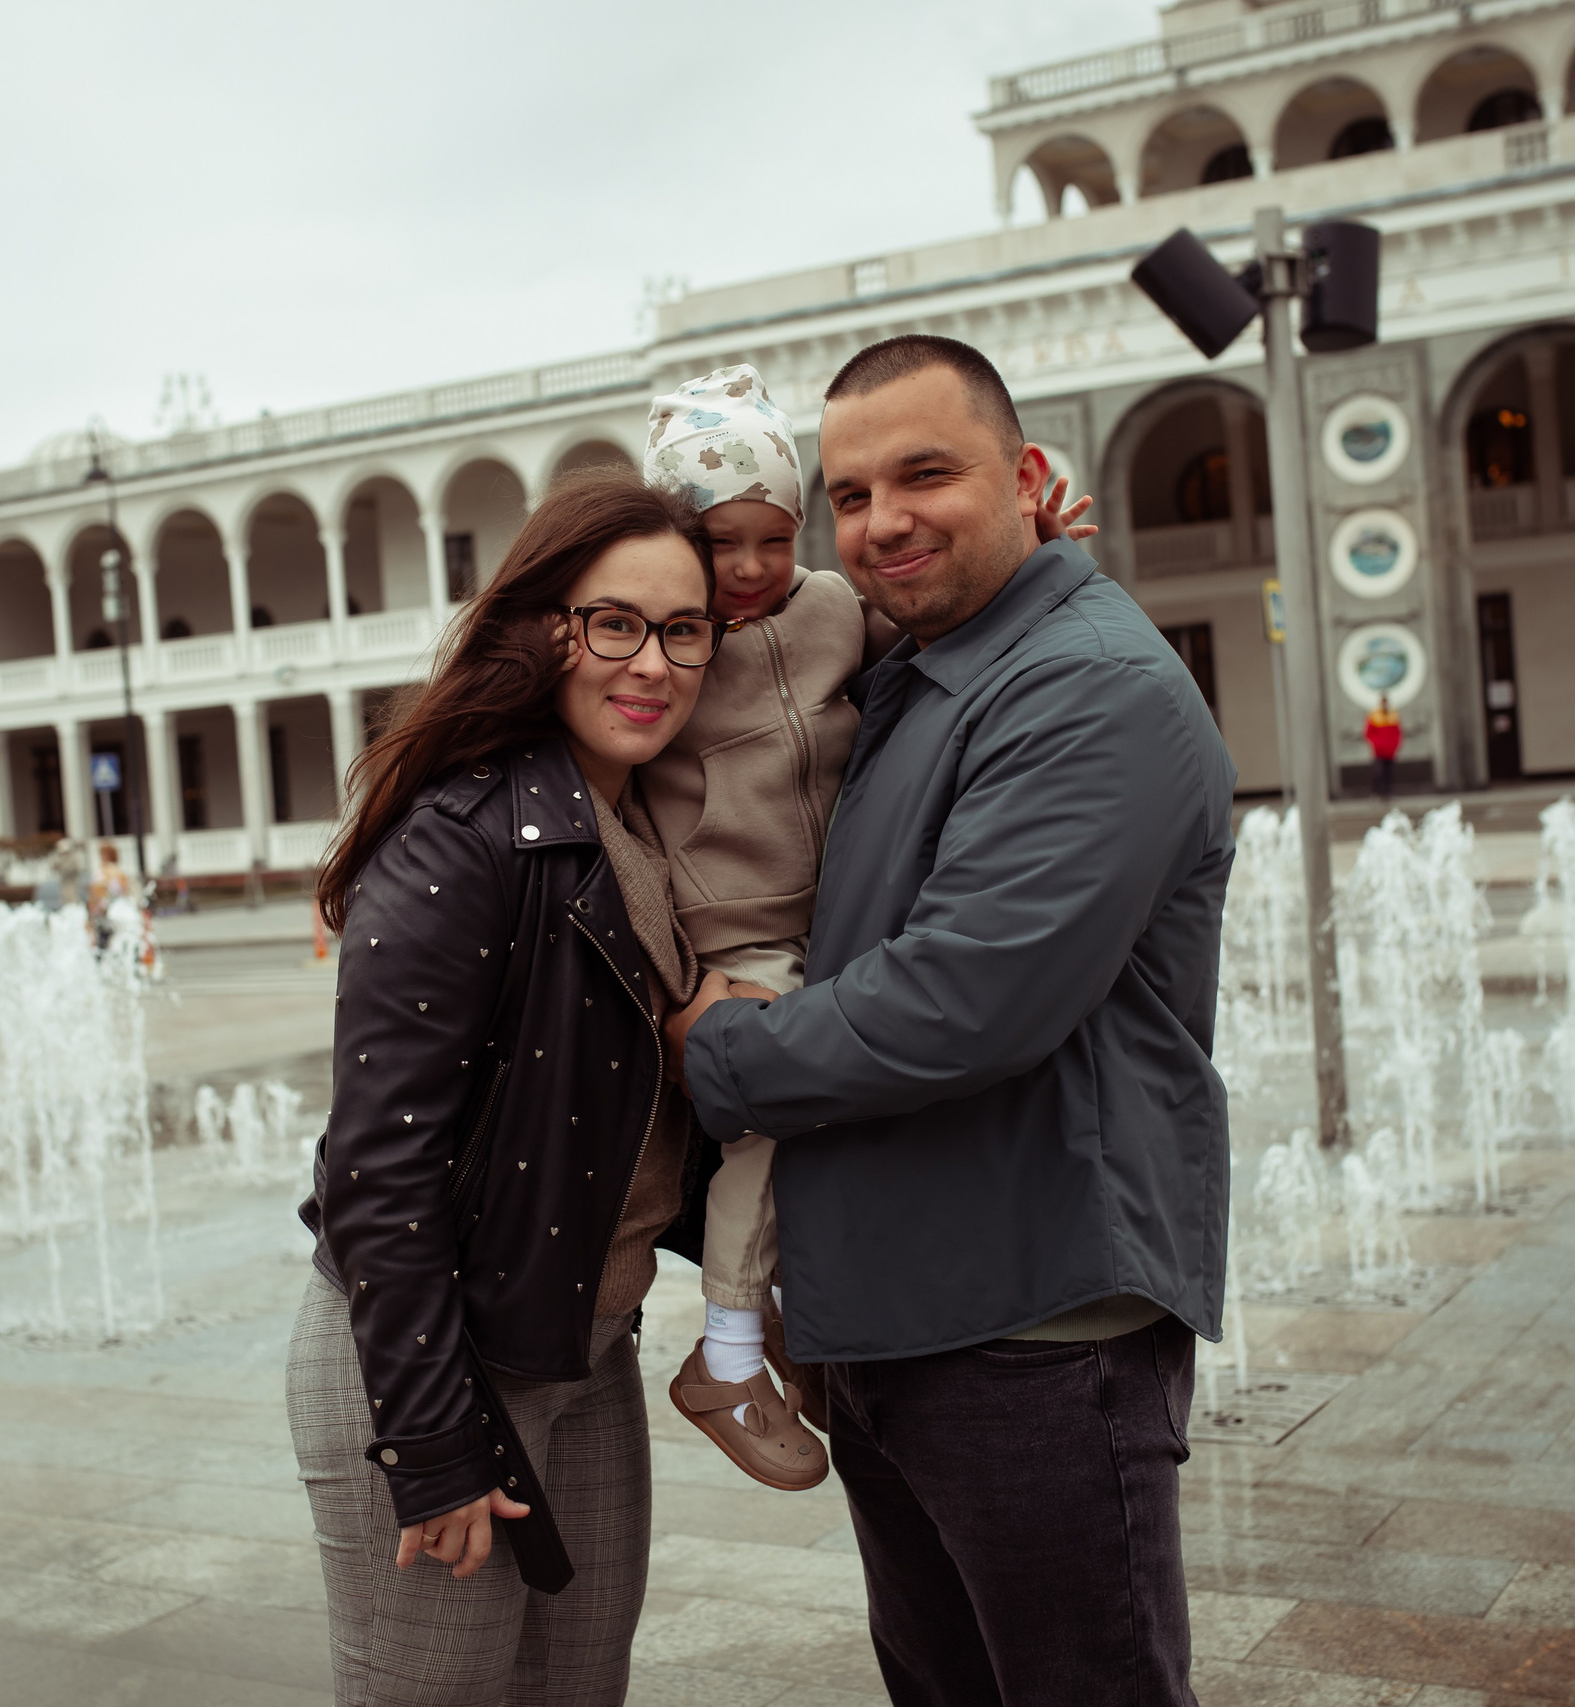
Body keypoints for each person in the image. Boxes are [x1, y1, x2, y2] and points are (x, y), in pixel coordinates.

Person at [667, 334, 1236, 1706]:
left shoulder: (1086, 683)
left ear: (1032, 479)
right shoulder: (928, 665)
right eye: (851, 494)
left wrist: (712, 1054)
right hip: (904, 1319)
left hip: (1029, 1329)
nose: (882, 521)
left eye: (928, 474)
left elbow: (964, 1001)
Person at [288, 467, 724, 1705]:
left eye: (681, 629)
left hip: (583, 1350)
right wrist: (429, 1442)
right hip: (431, 1367)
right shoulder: (463, 834)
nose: (651, 663)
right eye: (615, 623)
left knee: (580, 1690)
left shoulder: (631, 817)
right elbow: (379, 1166)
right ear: (546, 629)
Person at [641, 363, 1092, 1491]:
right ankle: (728, 1351)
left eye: (771, 536)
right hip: (727, 935)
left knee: (828, 1117)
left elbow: (960, 631)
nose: (748, 569)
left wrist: (1043, 554)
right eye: (718, 542)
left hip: (825, 918)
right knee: (767, 1129)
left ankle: (782, 1320)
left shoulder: (837, 610)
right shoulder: (672, 640)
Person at [1365, 692, 1402, 801]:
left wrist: (1395, 745)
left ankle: (1387, 793)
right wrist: (1376, 745)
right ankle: (1376, 793)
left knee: (1389, 773)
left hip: (1390, 751)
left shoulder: (1393, 715)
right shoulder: (1374, 715)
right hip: (1379, 751)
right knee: (1378, 772)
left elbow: (1397, 732)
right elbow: (1369, 733)